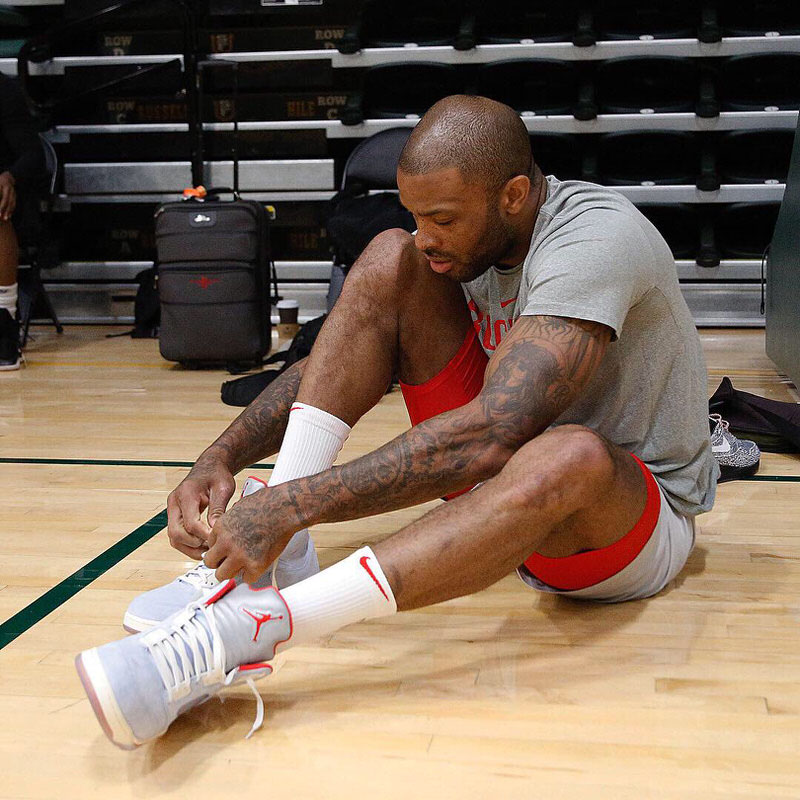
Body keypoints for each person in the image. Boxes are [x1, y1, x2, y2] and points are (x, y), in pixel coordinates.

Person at [75, 95, 718, 749]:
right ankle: (270, 566)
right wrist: (223, 458)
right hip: (499, 478)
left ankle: (245, 632)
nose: (427, 235)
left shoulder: (594, 238)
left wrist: (301, 505)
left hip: (620, 517)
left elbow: (493, 434)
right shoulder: (457, 246)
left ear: (514, 195)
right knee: (386, 257)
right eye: (418, 214)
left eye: (442, 218)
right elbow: (341, 357)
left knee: (566, 453)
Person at [0, 72, 46, 370]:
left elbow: (34, 155)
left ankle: (3, 320)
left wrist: (8, 177)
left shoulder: (2, 89)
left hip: (11, 200)